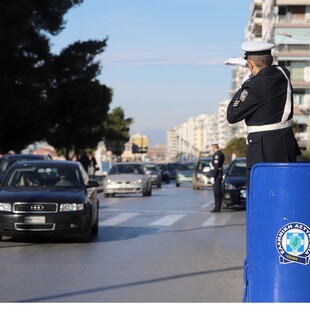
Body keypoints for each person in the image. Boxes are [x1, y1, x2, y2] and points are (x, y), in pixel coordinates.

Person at [225, 41, 301, 188]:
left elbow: (232, 115)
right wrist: (249, 64)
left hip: (262, 149)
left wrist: (243, 85)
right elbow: (269, 68)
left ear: (251, 64)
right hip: (286, 142)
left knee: (262, 192)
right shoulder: (283, 73)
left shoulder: (253, 86)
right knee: (286, 189)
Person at [210, 143, 225, 213]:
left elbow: (216, 166)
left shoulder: (217, 154)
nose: (212, 149)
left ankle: (217, 207)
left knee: (217, 191)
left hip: (217, 174)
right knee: (217, 191)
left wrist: (213, 176)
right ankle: (217, 206)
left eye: (212, 148)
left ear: (214, 147)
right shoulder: (220, 154)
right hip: (218, 174)